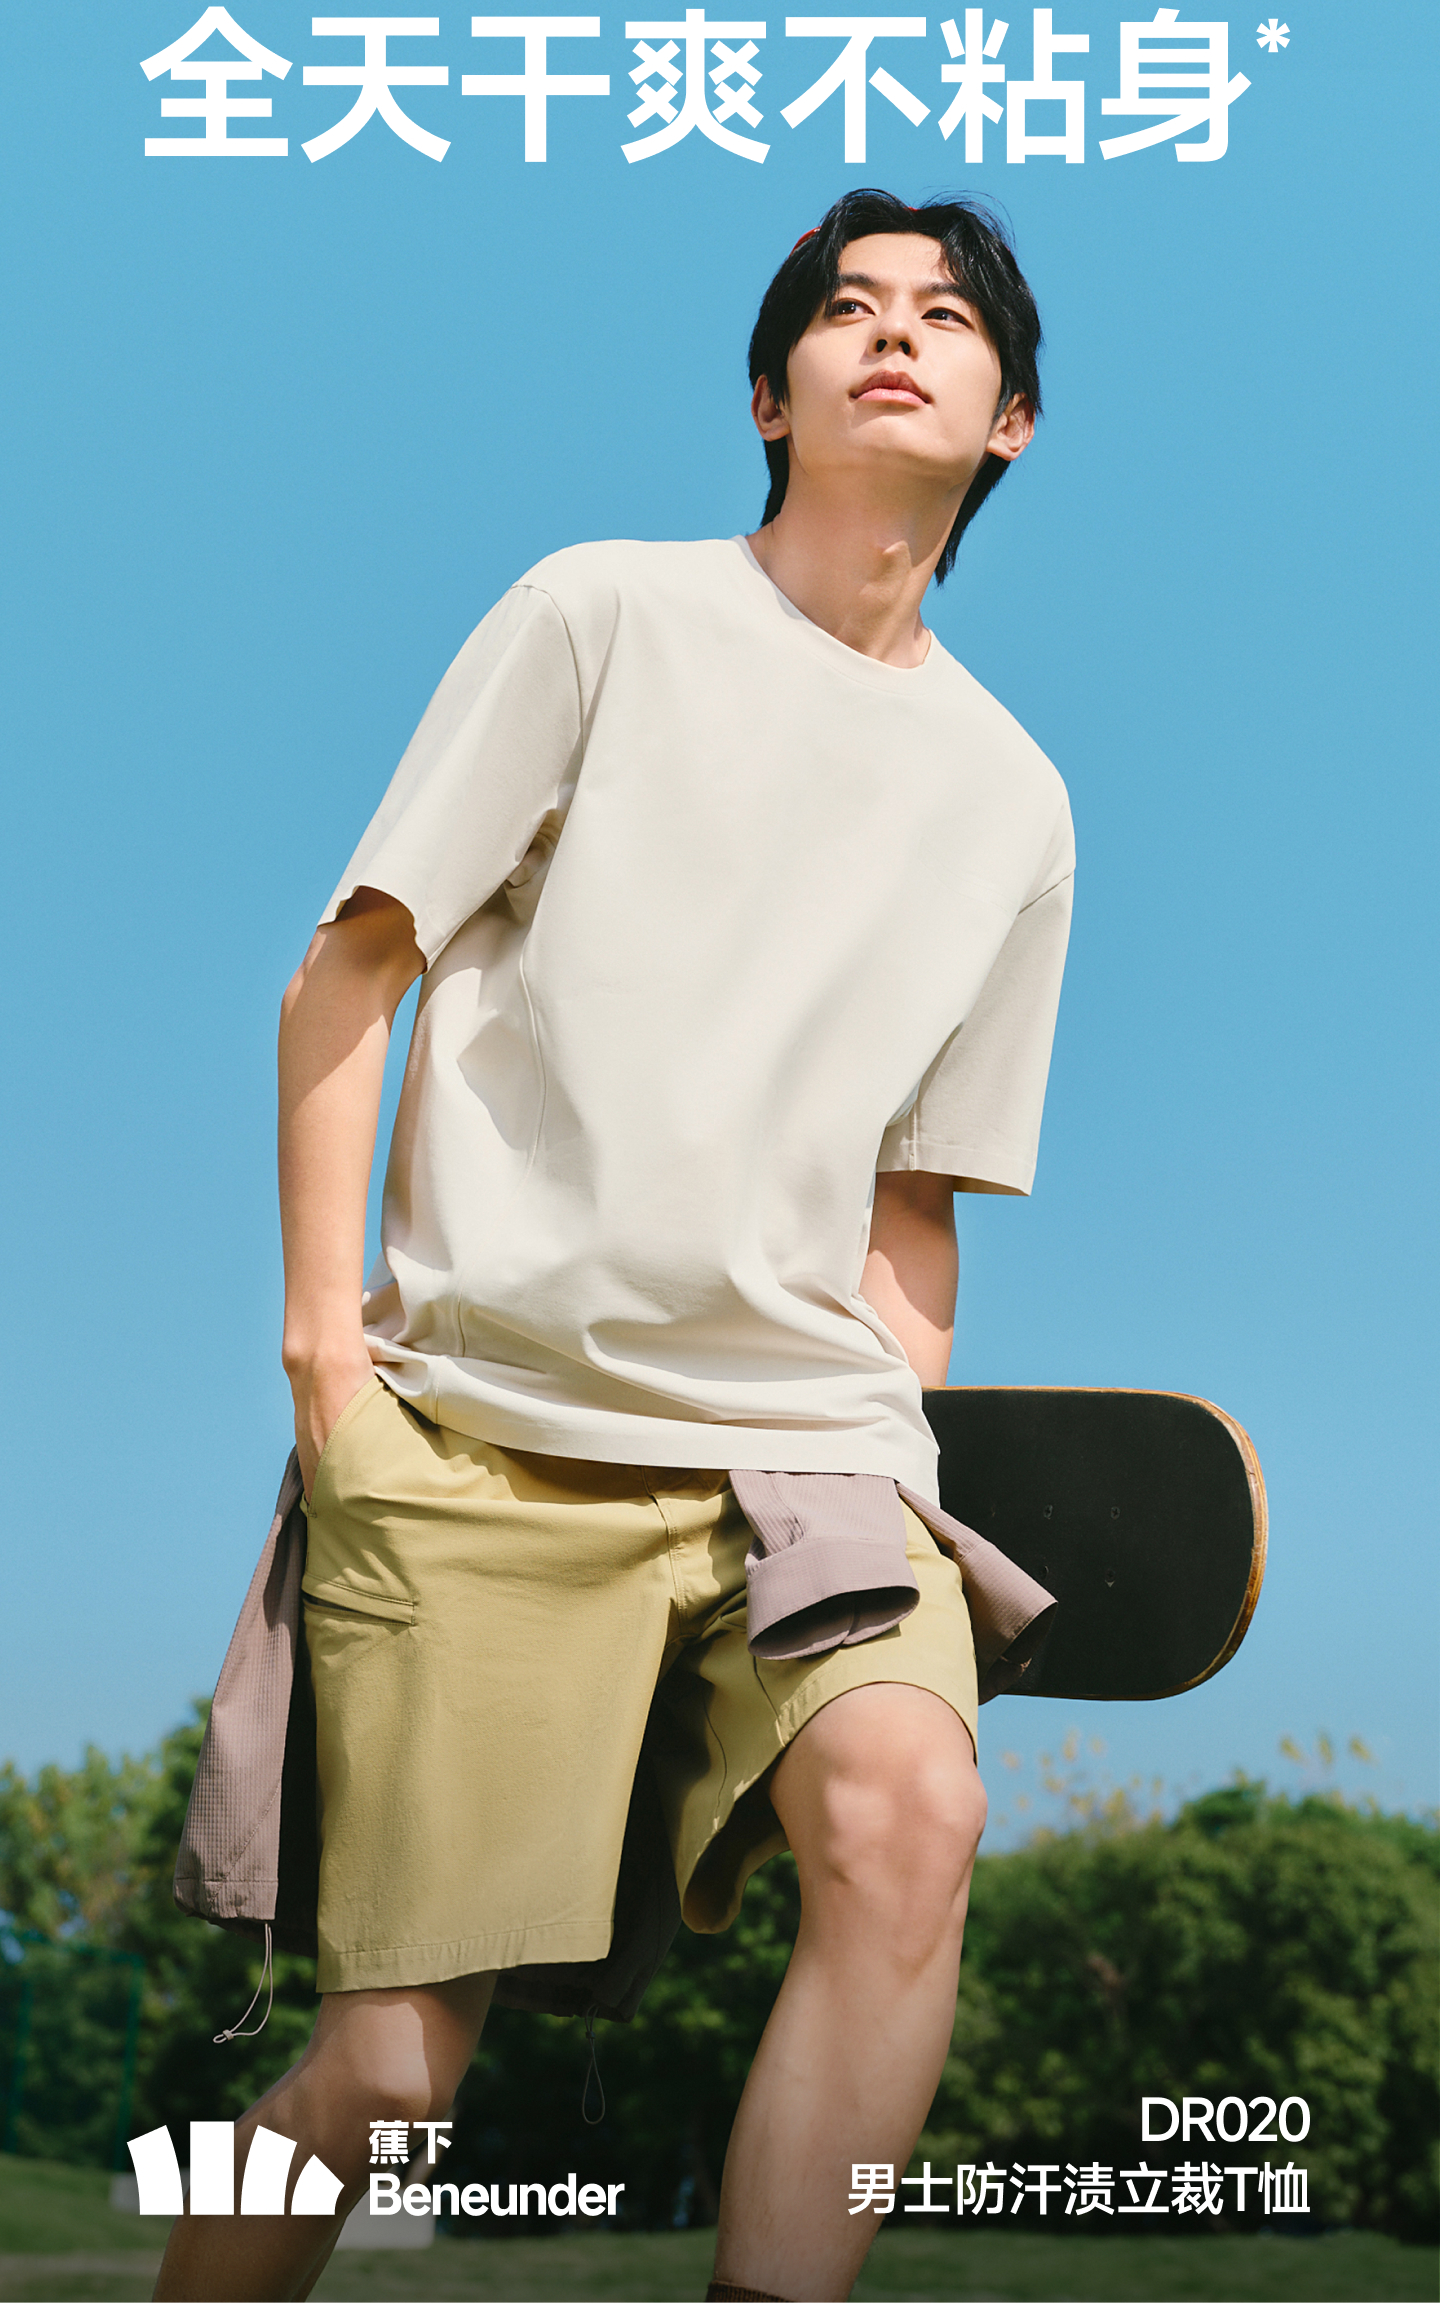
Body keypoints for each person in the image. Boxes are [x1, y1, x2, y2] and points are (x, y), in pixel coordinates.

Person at [155, 184, 1073, 2304]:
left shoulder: (1017, 798)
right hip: (486, 1439)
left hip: (802, 1458)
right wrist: (325, 1359)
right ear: (771, 394)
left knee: (909, 1821)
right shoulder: (601, 614)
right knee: (392, 2072)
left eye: (946, 317)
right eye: (847, 309)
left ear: (1011, 420)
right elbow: (350, 970)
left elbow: (915, 1193)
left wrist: (892, 1441)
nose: (894, 334)